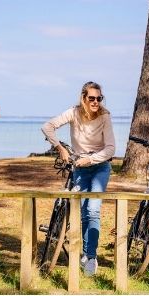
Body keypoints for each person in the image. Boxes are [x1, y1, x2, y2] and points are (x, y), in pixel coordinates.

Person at [42, 81, 116, 276]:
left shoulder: (105, 117)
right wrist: (60, 147)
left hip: (100, 167)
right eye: (91, 98)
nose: (95, 102)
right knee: (83, 212)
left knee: (92, 210)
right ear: (83, 98)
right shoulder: (74, 113)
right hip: (80, 169)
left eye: (99, 98)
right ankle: (86, 253)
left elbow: (111, 149)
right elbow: (48, 127)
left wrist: (90, 159)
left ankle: (91, 257)